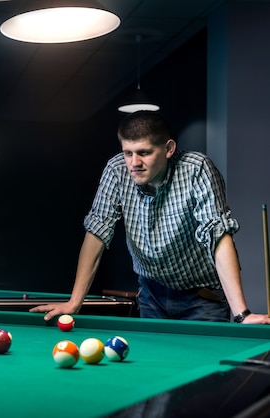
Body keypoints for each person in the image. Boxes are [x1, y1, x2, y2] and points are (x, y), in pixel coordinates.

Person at [30, 110, 270, 324]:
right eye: (128, 153)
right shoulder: (117, 170)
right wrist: (74, 302)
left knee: (204, 373)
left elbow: (218, 235)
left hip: (202, 298)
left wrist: (242, 314)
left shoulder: (196, 169)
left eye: (144, 153)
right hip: (151, 296)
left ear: (168, 149)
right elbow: (97, 233)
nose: (134, 163)